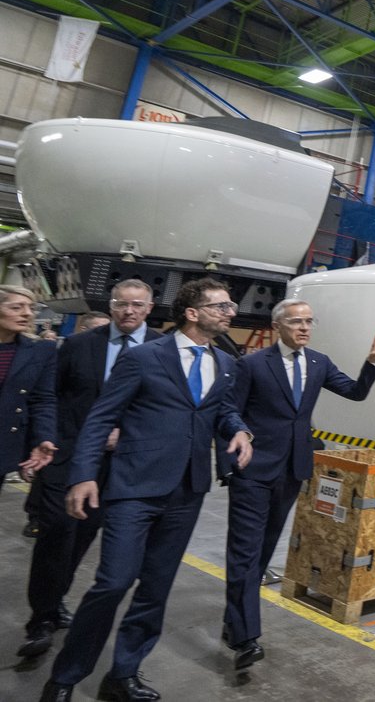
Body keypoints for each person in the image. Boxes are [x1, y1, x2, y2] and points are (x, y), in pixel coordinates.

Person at [40, 278, 253, 702]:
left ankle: (123, 674)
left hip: (187, 491)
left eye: (230, 307)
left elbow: (222, 409)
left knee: (156, 588)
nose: (230, 313)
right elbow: (101, 418)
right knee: (113, 582)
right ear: (192, 313)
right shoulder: (144, 357)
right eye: (221, 306)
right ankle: (65, 676)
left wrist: (240, 429)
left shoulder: (226, 362)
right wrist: (83, 475)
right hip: (135, 487)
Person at [222, 300, 375, 669]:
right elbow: (229, 411)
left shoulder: (318, 363)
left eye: (309, 322)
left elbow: (355, 392)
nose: (304, 328)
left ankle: (234, 619)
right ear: (277, 325)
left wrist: (373, 361)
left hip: (292, 470)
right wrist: (238, 443)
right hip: (253, 470)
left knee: (264, 548)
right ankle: (246, 638)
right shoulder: (251, 364)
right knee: (245, 552)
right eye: (296, 322)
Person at [19, 280, 158, 658]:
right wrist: (44, 440)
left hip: (121, 468)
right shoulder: (79, 346)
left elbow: (165, 409)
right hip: (68, 458)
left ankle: (56, 598)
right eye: (121, 304)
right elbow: (49, 396)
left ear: (149, 308)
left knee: (82, 537)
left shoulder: (163, 350)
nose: (128, 311)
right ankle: (41, 618)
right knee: (57, 534)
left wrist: (125, 434)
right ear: (111, 307)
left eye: (136, 305)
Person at [0, 285, 58, 489]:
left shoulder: (40, 351)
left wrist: (43, 437)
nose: (27, 313)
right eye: (16, 308)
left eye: (31, 308)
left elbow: (43, 400)